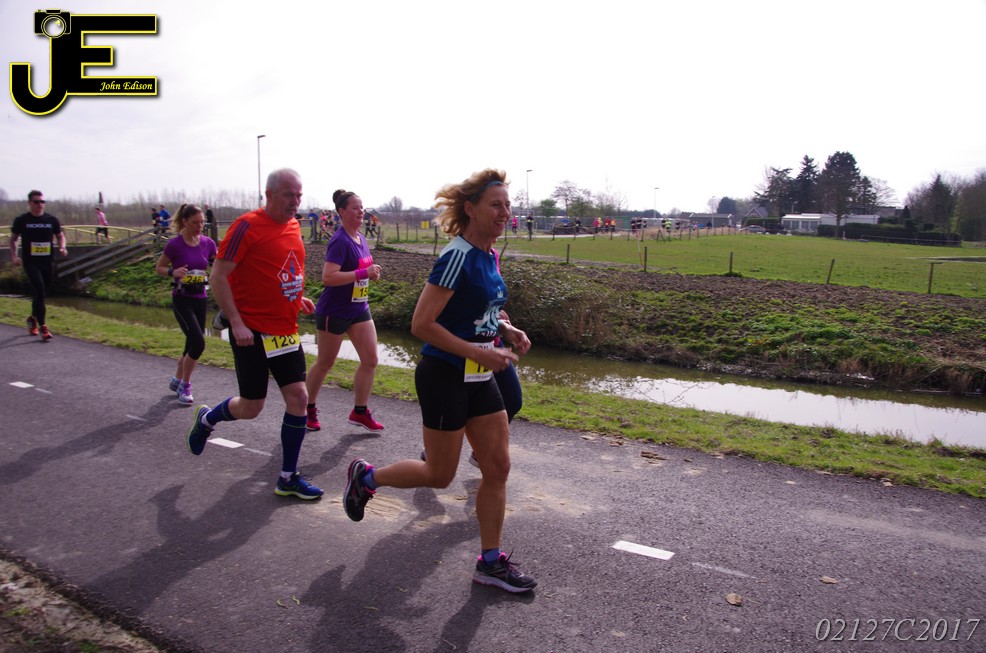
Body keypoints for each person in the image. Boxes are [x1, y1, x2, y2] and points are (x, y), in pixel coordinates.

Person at [344, 168, 537, 593]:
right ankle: (366, 478)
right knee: (439, 474)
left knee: (498, 467)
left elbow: (480, 312)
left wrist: (506, 329)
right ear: (471, 209)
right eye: (496, 205)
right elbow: (421, 324)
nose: (505, 212)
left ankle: (490, 563)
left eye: (508, 205)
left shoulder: (489, 255)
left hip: (479, 376)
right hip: (445, 375)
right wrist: (477, 351)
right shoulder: (457, 256)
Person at [185, 168, 323, 501]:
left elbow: (282, 269)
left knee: (299, 398)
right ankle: (207, 419)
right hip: (251, 330)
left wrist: (296, 297)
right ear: (269, 195)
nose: (295, 202)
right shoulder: (246, 226)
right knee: (251, 407)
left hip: (284, 331)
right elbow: (218, 276)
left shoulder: (294, 226)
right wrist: (236, 322)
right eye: (289, 195)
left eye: (299, 195)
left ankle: (288, 477)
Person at [305, 189, 384, 433]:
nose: (361, 212)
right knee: (325, 363)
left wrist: (372, 273)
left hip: (359, 307)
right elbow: (328, 277)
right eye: (355, 208)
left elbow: (361, 270)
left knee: (370, 360)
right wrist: (362, 273)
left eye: (362, 207)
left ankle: (359, 412)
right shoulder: (340, 240)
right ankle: (306, 408)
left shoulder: (361, 238)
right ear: (342, 212)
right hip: (335, 310)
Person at [155, 203, 218, 404]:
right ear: (184, 221)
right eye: (195, 222)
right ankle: (185, 385)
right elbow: (159, 267)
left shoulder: (208, 243)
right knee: (198, 343)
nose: (200, 226)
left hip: (201, 298)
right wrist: (172, 272)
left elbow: (216, 263)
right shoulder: (175, 245)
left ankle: (177, 379)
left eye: (202, 222)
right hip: (182, 299)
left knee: (191, 343)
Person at [9, 190, 67, 341]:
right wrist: (14, 255)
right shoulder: (22, 220)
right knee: (40, 290)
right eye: (36, 202)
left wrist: (62, 247)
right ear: (30, 203)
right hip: (31, 262)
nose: (40, 204)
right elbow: (14, 238)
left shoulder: (51, 220)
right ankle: (43, 327)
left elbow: (60, 236)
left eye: (42, 202)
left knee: (41, 294)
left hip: (47, 262)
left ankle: (32, 318)